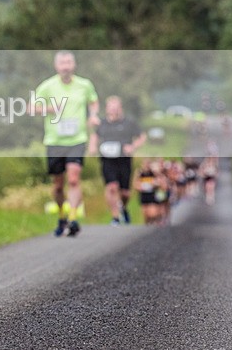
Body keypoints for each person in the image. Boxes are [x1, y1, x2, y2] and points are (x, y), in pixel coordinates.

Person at [32, 51, 99, 237]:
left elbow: (94, 102)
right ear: (56, 66)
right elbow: (31, 108)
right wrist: (50, 109)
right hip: (55, 140)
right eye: (62, 62)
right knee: (58, 185)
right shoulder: (47, 86)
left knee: (74, 179)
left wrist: (93, 116)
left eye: (69, 62)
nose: (66, 65)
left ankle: (73, 218)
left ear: (74, 65)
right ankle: (61, 216)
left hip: (77, 139)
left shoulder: (84, 85)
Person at [88, 96, 147, 225]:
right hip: (107, 160)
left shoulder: (129, 122)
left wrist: (132, 146)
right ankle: (115, 217)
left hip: (124, 159)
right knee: (112, 187)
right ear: (107, 109)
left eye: (116, 108)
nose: (114, 111)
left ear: (121, 108)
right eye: (111, 108)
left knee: (125, 192)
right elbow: (95, 135)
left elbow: (142, 137)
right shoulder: (102, 123)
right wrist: (92, 147)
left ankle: (123, 208)